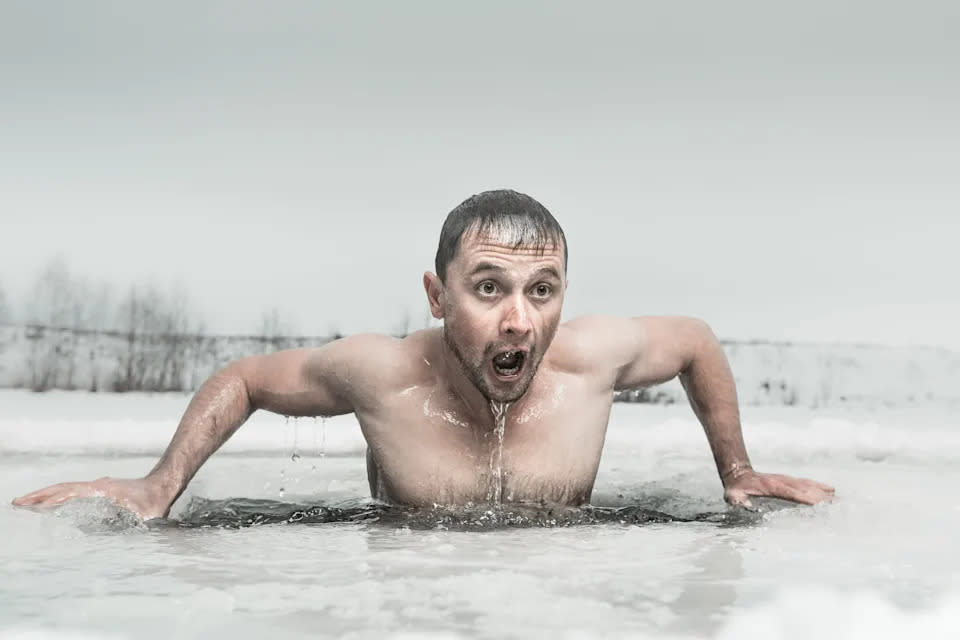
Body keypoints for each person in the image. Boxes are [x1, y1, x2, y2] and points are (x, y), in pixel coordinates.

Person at [12, 190, 834, 519]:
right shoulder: (386, 376)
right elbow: (246, 380)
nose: (518, 319)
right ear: (438, 298)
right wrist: (160, 488)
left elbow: (694, 339)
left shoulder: (590, 361)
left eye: (542, 290)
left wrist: (737, 469)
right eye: (488, 288)